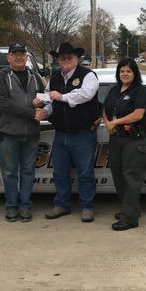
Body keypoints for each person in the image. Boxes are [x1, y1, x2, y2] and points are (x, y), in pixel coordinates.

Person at [44, 42, 100, 222]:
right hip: (61, 133)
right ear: (58, 60)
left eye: (70, 57)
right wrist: (43, 109)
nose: (66, 60)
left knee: (85, 172)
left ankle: (87, 207)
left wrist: (61, 97)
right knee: (59, 172)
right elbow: (49, 101)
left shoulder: (88, 75)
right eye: (62, 58)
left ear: (77, 58)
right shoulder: (54, 79)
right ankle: (62, 205)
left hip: (83, 134)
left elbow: (86, 95)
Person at [0, 42, 47, 223]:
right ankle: (11, 207)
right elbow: (4, 104)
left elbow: (43, 97)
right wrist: (32, 113)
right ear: (8, 57)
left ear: (27, 57)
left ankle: (25, 207)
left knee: (28, 172)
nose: (18, 57)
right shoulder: (2, 76)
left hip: (31, 133)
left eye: (22, 54)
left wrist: (42, 105)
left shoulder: (34, 76)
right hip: (9, 132)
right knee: (9, 173)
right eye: (15, 54)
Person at [102, 57, 146, 231]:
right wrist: (108, 123)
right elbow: (105, 108)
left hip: (135, 140)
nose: (125, 74)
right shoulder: (114, 90)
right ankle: (129, 209)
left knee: (131, 177)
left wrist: (116, 123)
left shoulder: (140, 91)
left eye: (129, 71)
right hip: (116, 139)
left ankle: (130, 219)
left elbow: (138, 114)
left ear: (135, 73)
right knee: (118, 174)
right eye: (122, 71)